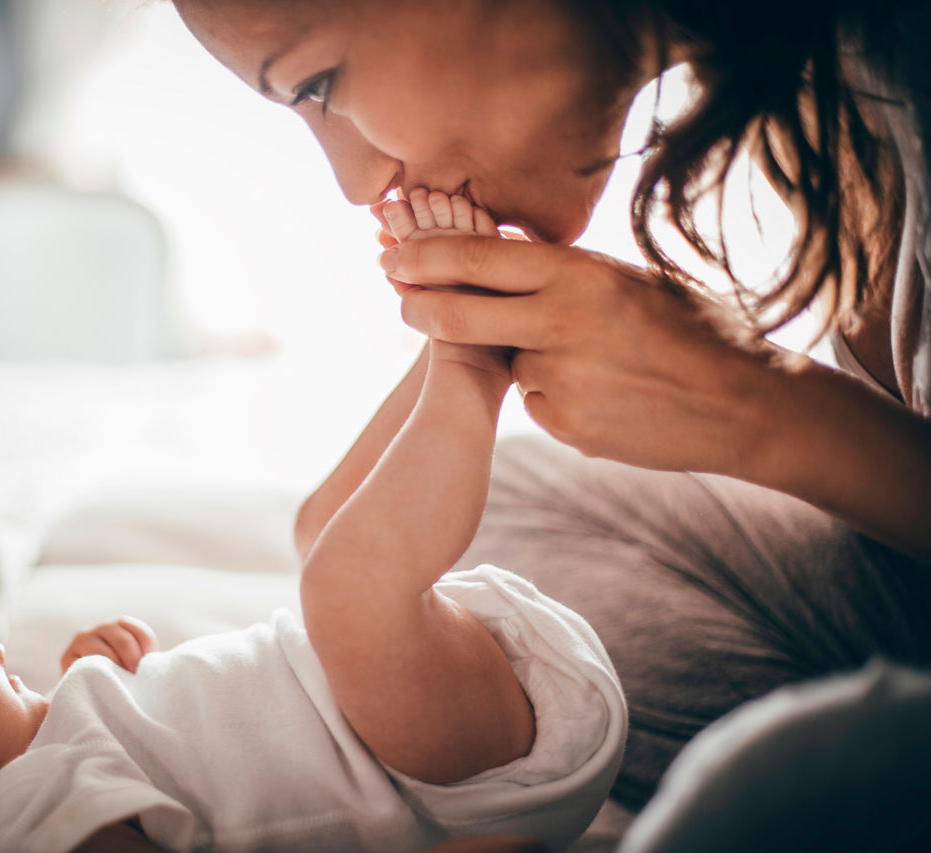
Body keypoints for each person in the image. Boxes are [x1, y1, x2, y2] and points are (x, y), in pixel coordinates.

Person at [0, 198, 626, 853]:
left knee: (318, 534)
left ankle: (442, 349)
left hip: (403, 699)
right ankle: (468, 362)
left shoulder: (45, 760)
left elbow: (168, 757)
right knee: (344, 587)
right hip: (429, 763)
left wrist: (95, 678)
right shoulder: (26, 821)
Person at [171, 0, 931, 815]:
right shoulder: (832, 80)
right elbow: (333, 537)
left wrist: (759, 405)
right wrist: (466, 359)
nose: (359, 181)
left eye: (318, 81)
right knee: (400, 530)